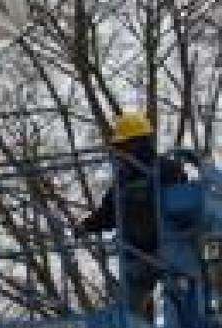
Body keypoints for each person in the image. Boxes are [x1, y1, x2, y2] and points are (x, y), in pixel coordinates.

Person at [77, 111, 186, 320]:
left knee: (180, 302)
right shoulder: (122, 181)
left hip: (170, 249)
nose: (119, 154)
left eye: (122, 147)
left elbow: (183, 207)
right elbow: (108, 214)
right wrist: (87, 226)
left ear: (137, 144)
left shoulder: (167, 170)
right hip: (136, 255)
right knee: (129, 314)